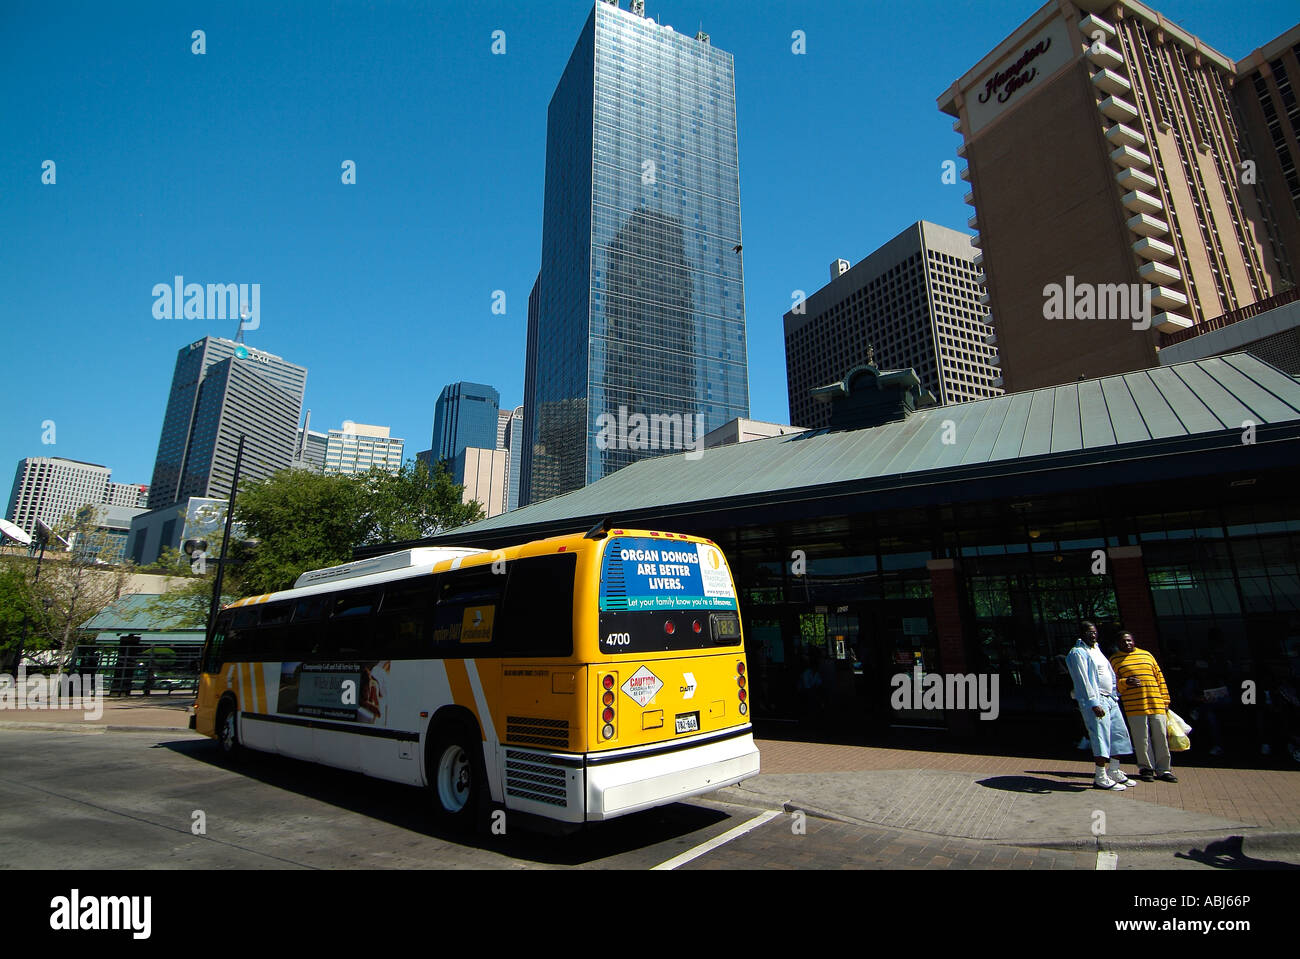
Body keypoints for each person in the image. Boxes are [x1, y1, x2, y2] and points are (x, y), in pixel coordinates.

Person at [1065, 621, 1138, 790]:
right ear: (1081, 633)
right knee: (1100, 736)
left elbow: (1107, 673)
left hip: (1111, 698)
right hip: (1097, 701)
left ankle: (1114, 770)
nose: (1093, 635)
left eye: (1094, 632)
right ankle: (1100, 775)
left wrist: (1114, 693)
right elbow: (1082, 681)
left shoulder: (1096, 650)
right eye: (1089, 632)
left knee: (1118, 735)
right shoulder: (1077, 653)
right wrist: (1093, 702)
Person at [1109, 630, 1177, 783]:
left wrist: (1165, 700)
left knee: (1161, 737)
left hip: (1156, 703)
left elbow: (1159, 677)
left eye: (1129, 640)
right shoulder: (1114, 660)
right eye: (1123, 641)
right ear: (1118, 644)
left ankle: (1164, 769)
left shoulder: (1147, 655)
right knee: (1141, 739)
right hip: (1134, 706)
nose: (1127, 643)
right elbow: (1113, 685)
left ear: (1133, 641)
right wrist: (1126, 682)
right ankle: (1146, 768)